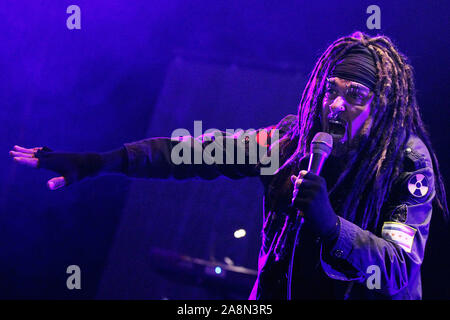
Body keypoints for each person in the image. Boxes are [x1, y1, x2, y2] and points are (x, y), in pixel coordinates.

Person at [9, 31, 448, 300]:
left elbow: (399, 267)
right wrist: (100, 161)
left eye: (355, 95)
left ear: (383, 105)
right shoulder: (292, 144)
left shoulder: (405, 164)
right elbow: (193, 152)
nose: (335, 105)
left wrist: (332, 227)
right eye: (331, 89)